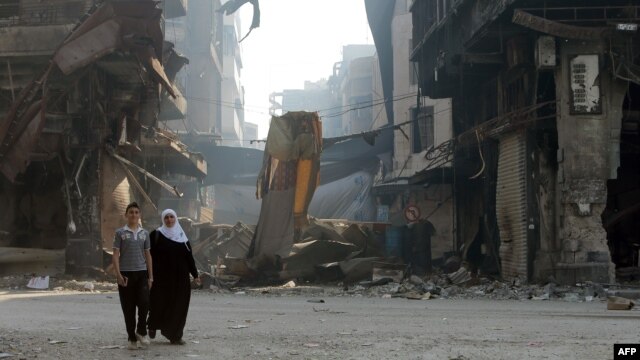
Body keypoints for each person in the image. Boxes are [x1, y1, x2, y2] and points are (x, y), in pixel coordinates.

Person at [148, 209, 200, 345]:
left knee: (179, 305)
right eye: (166, 217)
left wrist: (195, 275)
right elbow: (148, 256)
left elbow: (189, 258)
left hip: (180, 278)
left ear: (175, 218)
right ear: (163, 219)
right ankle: (153, 325)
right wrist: (148, 274)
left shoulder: (182, 237)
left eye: (172, 217)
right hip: (161, 278)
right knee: (158, 302)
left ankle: (175, 335)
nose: (169, 220)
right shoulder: (156, 235)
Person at [112, 202, 153, 350]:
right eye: (131, 212)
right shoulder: (120, 233)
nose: (134, 215)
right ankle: (131, 337)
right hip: (126, 274)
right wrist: (118, 274)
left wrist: (151, 276)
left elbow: (148, 255)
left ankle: (141, 331)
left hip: (142, 274)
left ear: (139, 215)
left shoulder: (145, 234)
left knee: (144, 303)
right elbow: (116, 255)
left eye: (136, 212)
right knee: (128, 308)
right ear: (126, 215)